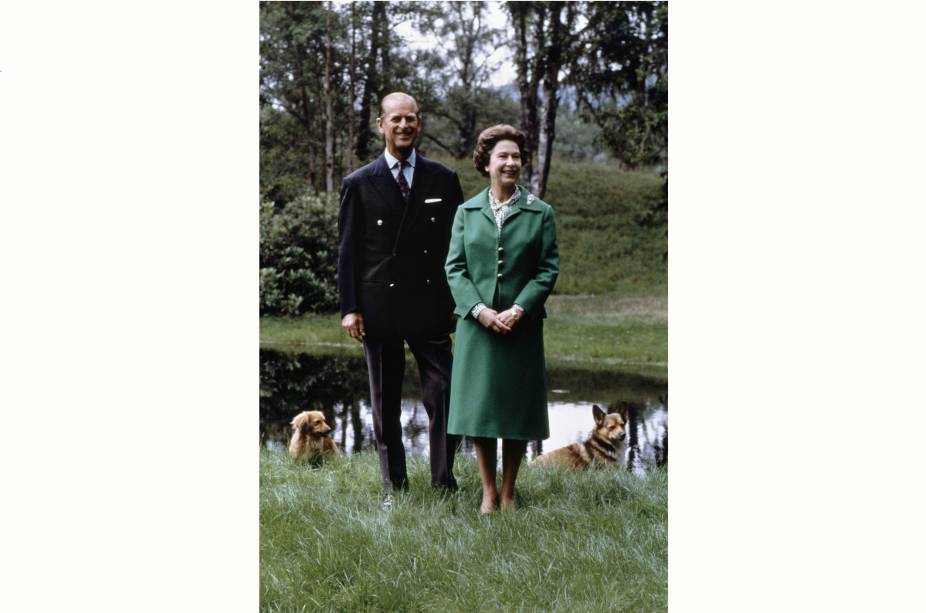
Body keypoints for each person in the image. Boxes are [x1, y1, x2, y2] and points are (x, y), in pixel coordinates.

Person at [337, 92, 464, 508]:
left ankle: (444, 482)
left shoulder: (443, 178)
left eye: (410, 119)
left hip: (431, 306)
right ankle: (395, 487)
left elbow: (456, 245)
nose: (404, 126)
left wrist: (459, 301)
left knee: (444, 392)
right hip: (379, 308)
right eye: (396, 120)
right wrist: (350, 307)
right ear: (381, 124)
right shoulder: (359, 183)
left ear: (419, 123)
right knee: (384, 402)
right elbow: (348, 250)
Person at [444, 125, 560, 513]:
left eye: (516, 157)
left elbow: (547, 269)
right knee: (481, 410)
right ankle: (488, 491)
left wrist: (519, 308)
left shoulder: (540, 213)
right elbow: (455, 268)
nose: (510, 163)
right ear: (487, 163)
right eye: (502, 157)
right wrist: (479, 310)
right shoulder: (466, 212)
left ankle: (509, 492)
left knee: (515, 409)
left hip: (520, 326)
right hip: (477, 326)